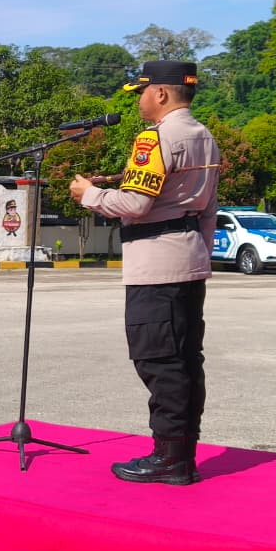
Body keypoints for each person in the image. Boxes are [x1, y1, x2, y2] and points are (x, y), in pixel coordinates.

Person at [69, 60, 220, 486]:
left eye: (142, 91)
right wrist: (199, 255)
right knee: (186, 360)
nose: (138, 99)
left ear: (161, 94)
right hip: (188, 261)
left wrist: (89, 194)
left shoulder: (154, 138)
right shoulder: (204, 137)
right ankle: (182, 454)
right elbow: (207, 209)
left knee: (158, 360)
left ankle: (169, 459)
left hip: (156, 264)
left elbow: (136, 206)